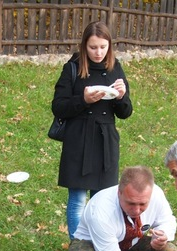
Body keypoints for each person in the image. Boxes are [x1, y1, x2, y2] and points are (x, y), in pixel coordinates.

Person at [51, 21, 133, 239]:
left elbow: (126, 113)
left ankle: (99, 244)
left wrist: (122, 96)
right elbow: (58, 106)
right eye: (93, 47)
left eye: (103, 47)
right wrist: (83, 100)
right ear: (84, 46)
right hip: (78, 139)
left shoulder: (115, 68)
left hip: (106, 141)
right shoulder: (73, 67)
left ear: (110, 46)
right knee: (78, 199)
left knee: (103, 200)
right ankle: (78, 248)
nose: (98, 53)